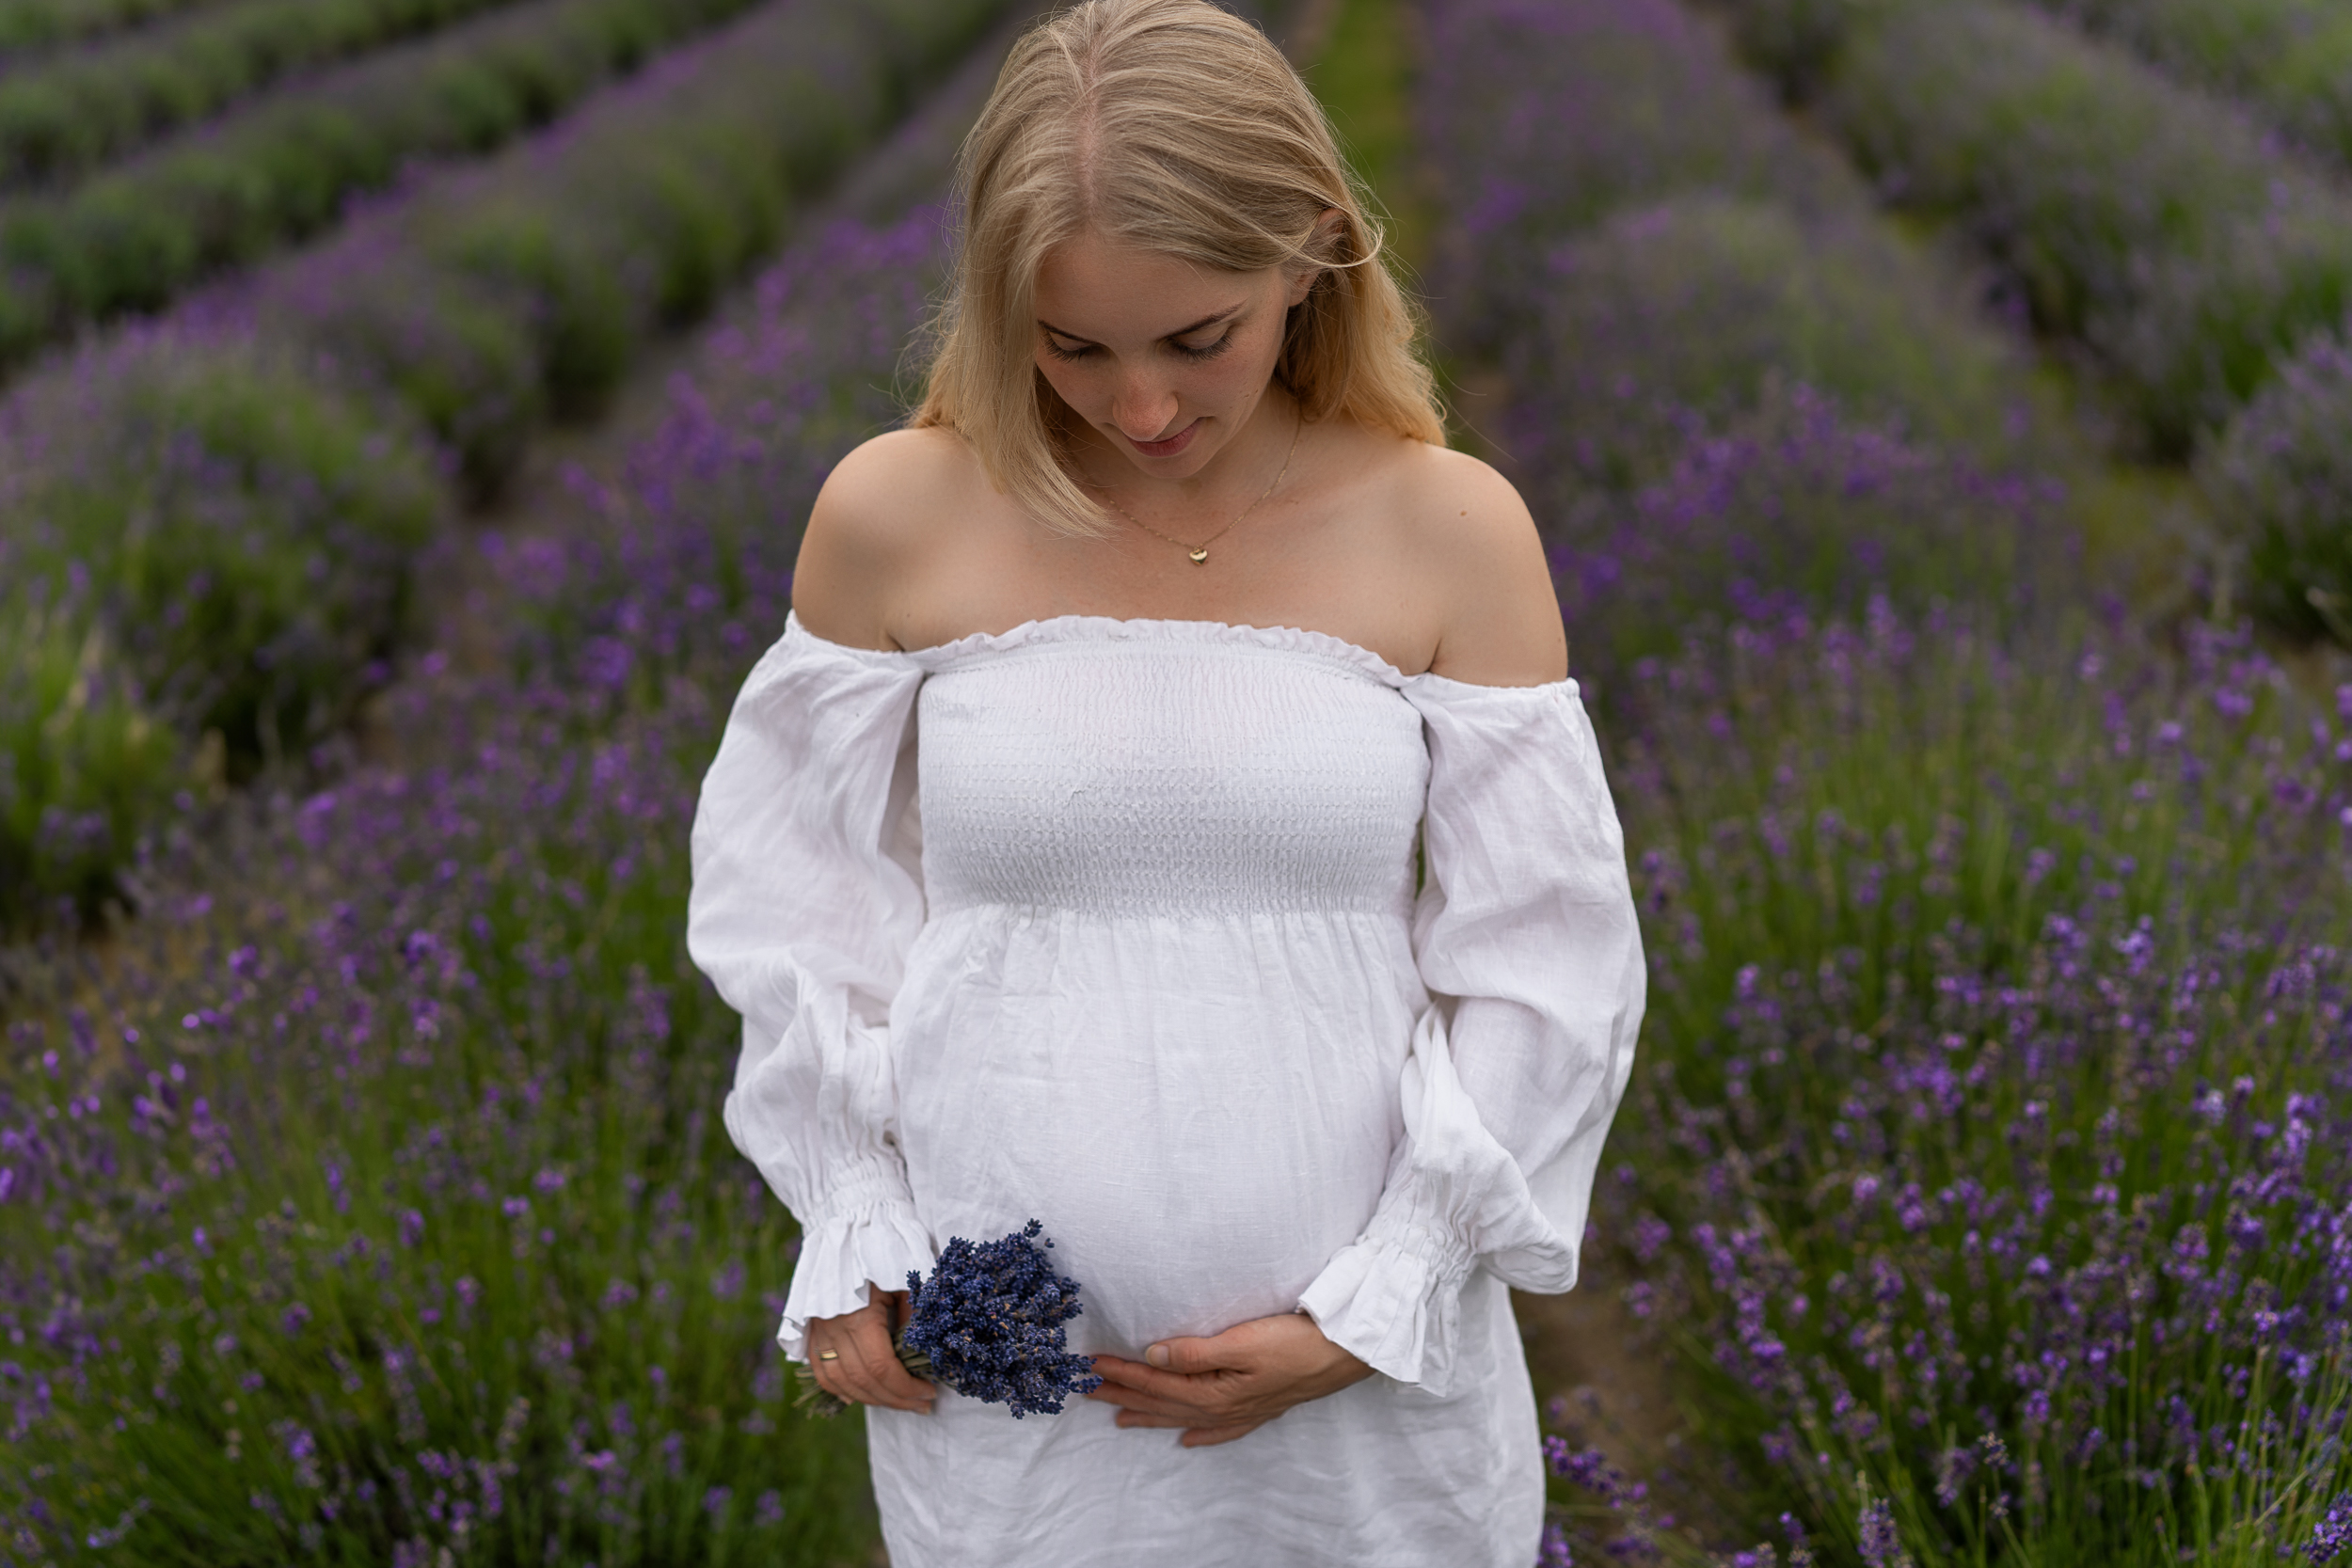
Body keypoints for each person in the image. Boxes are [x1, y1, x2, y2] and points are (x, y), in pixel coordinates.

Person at [685, 1, 1645, 1561]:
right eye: (1073, 347)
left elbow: (1550, 960)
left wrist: (1382, 1299)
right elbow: (794, 911)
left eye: (1200, 339)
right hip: (1016, 1388)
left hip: (1360, 1381)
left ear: (1311, 256)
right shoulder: (895, 515)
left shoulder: (1450, 529)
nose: (1141, 409)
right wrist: (849, 1220)